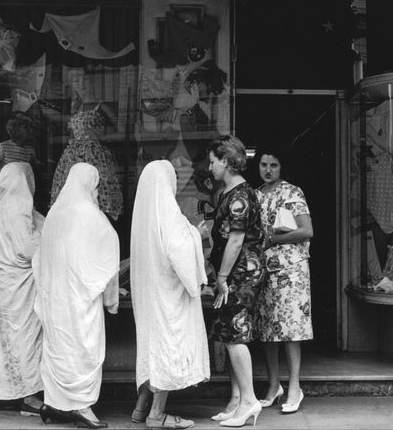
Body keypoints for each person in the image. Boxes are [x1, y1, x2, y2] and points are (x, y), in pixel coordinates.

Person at [34, 163, 119, 429]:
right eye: (95, 187)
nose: (96, 192)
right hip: (80, 301)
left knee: (59, 348)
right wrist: (111, 300)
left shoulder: (56, 214)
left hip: (55, 300)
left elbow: (40, 257)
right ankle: (81, 406)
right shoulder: (92, 216)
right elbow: (108, 257)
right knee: (83, 349)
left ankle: (56, 403)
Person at [130, 160, 210, 430]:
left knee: (151, 347)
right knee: (167, 347)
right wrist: (196, 234)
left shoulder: (143, 216)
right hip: (168, 297)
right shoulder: (168, 212)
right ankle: (157, 414)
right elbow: (179, 249)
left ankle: (141, 407)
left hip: (149, 296)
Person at [207, 135, 264, 428]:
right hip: (238, 273)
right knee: (230, 334)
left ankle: (250, 400)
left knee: (236, 335)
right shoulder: (232, 192)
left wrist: (222, 277)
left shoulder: (239, 195)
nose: (210, 167)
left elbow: (237, 238)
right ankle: (238, 400)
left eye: (213, 161)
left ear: (226, 161)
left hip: (240, 274)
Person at [254, 145, 314, 414]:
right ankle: (273, 385)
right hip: (265, 270)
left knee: (291, 330)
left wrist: (274, 239)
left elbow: (306, 230)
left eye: (273, 165)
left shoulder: (292, 192)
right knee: (268, 330)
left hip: (291, 271)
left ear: (282, 167)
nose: (268, 170)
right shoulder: (255, 195)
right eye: (264, 164)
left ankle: (294, 387)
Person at [0, 162, 45, 416]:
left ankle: (0, 395)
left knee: (5, 340)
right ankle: (30, 398)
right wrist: (46, 239)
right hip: (21, 284)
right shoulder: (19, 205)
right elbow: (26, 248)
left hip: (4, 282)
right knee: (26, 338)